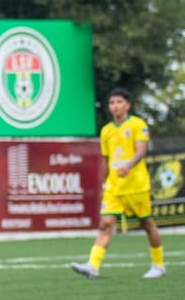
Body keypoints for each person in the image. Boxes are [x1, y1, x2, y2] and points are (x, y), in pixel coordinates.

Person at [71, 87, 166, 280]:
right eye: (112, 103)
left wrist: (129, 166)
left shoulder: (138, 124)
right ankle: (92, 265)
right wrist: (103, 184)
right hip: (114, 187)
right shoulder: (106, 131)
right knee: (105, 224)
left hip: (136, 185)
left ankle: (158, 265)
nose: (115, 106)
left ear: (127, 105)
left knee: (146, 224)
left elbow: (141, 150)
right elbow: (105, 160)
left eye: (119, 102)